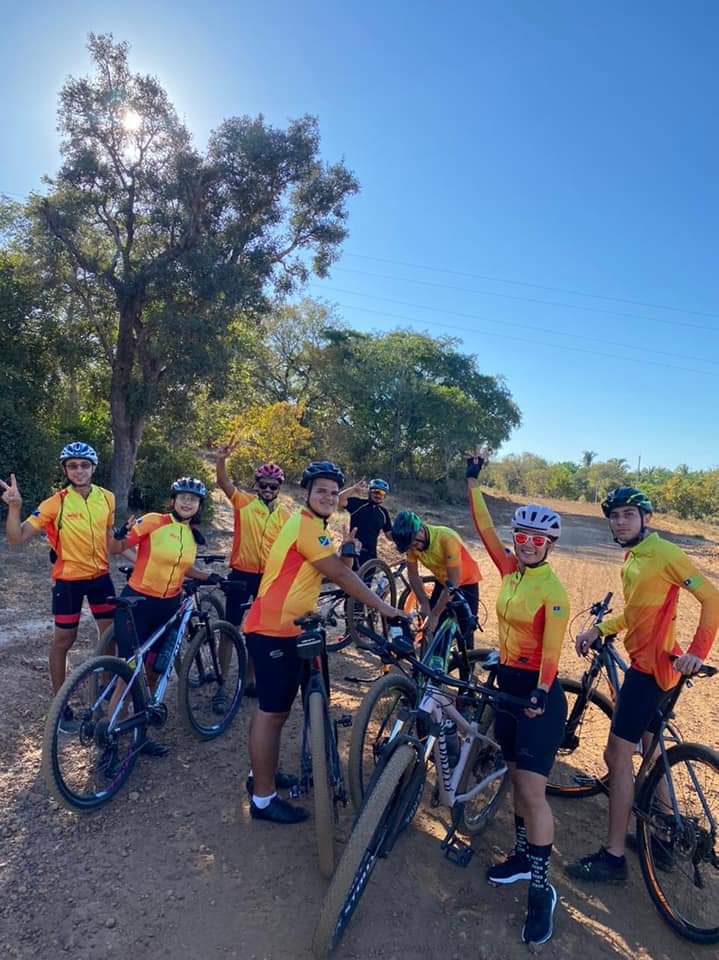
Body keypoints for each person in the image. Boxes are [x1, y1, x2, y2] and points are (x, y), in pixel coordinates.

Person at [566, 486, 719, 886]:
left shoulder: (663, 553)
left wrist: (699, 651)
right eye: (614, 516)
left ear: (645, 518)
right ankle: (666, 835)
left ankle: (614, 857)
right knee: (650, 750)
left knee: (617, 757)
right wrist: (600, 627)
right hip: (661, 667)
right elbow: (636, 615)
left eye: (628, 514)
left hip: (649, 671)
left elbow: (712, 598)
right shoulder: (633, 556)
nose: (620, 521)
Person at [243, 460, 407, 824]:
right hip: (274, 628)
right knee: (273, 714)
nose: (329, 497)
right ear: (307, 493)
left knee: (272, 711)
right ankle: (263, 800)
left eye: (334, 493)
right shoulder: (306, 525)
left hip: (284, 625)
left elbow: (328, 568)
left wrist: (345, 553)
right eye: (322, 491)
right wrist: (385, 608)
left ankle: (260, 776)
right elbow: (340, 575)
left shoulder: (313, 525)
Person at [466, 446, 569, 945]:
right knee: (513, 778)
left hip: (537, 695)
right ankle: (523, 859)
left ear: (549, 545)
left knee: (532, 790)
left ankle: (542, 890)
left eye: (536, 539)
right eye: (521, 537)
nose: (526, 545)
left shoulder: (553, 591)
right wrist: (472, 482)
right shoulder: (509, 572)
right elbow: (484, 527)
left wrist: (544, 692)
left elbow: (552, 652)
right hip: (507, 686)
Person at [1, 443, 116, 725]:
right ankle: (60, 703)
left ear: (93, 468)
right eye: (73, 466)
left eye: (84, 465)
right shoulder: (56, 503)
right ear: (65, 470)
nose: (79, 470)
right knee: (64, 640)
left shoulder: (108, 498)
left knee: (110, 635)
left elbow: (110, 539)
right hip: (68, 581)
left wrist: (138, 556)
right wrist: (15, 508)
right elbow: (16, 538)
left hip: (101, 578)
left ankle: (104, 691)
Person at [109, 477, 222, 758]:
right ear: (173, 500)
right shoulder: (153, 521)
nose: (187, 502)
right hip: (138, 603)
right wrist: (120, 533)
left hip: (168, 606)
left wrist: (211, 577)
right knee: (128, 673)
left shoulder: (191, 534)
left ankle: (138, 732)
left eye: (193, 499)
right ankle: (109, 737)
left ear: (199, 506)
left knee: (152, 671)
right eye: (182, 497)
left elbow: (185, 569)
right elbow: (114, 548)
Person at [216, 444, 291, 701]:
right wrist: (221, 460)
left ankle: (249, 679)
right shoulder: (244, 503)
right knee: (230, 628)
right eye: (263, 485)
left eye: (273, 486)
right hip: (241, 574)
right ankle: (221, 683)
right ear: (256, 485)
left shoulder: (284, 516)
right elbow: (223, 483)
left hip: (267, 578)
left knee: (257, 632)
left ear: (279, 488)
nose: (268, 490)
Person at [391, 507, 481, 645]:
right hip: (444, 581)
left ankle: (468, 661)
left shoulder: (446, 538)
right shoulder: (412, 544)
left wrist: (435, 614)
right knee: (433, 628)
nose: (413, 549)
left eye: (414, 544)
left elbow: (454, 583)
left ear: (421, 530)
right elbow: (413, 575)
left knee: (467, 629)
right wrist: (424, 603)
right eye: (409, 547)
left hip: (466, 582)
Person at [338, 478, 393, 568]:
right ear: (369, 492)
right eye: (376, 492)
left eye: (382, 493)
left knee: (366, 582)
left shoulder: (384, 513)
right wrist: (354, 488)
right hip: (353, 550)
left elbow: (389, 535)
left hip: (371, 555)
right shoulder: (358, 504)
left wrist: (404, 536)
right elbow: (339, 500)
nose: (378, 495)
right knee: (346, 579)